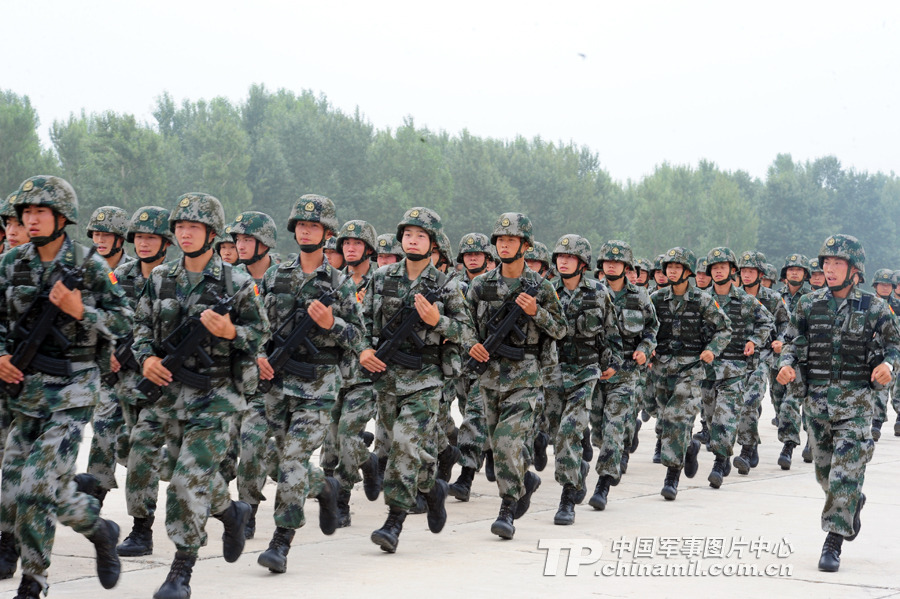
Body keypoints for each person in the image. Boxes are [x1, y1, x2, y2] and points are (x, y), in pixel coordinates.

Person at [132, 192, 268, 599]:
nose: (185, 233)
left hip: (216, 396)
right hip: (168, 395)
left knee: (186, 482)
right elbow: (141, 328)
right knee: (169, 468)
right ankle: (230, 511)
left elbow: (260, 334)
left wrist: (231, 332)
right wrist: (146, 359)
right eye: (180, 226)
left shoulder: (236, 282)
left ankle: (181, 571)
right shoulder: (161, 277)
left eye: (194, 227)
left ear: (211, 234)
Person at [0, 176, 131, 597]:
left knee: (36, 487)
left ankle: (33, 582)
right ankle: (98, 528)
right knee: (12, 491)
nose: (31, 219)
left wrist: (82, 311)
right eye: (26, 212)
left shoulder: (88, 264)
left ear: (61, 218)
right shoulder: (11, 262)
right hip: (26, 392)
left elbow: (124, 321)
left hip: (72, 393)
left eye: (40, 212)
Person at [254, 196, 367, 572]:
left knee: (292, 460)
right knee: (274, 461)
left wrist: (331, 324)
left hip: (318, 386)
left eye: (313, 226)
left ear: (326, 233)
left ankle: (280, 541)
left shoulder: (339, 283)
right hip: (276, 383)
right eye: (301, 225)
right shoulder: (275, 275)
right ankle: (323, 486)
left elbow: (359, 337)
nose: (305, 230)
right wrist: (257, 355)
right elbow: (257, 326)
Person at [776, 234, 900, 572]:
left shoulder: (874, 306)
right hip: (816, 403)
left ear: (854, 270)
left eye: (837, 263)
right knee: (826, 474)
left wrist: (888, 366)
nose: (829, 270)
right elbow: (790, 340)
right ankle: (852, 501)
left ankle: (833, 542)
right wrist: (786, 364)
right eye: (826, 263)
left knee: (845, 473)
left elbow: (894, 345)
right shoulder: (808, 304)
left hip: (856, 404)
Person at [360, 207, 475, 553]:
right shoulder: (381, 278)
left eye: (420, 235)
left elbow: (467, 332)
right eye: (408, 234)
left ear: (433, 243)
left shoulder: (445, 285)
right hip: (386, 378)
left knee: (405, 445)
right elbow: (363, 323)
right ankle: (431, 488)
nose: (412, 240)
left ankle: (393, 521)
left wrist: (438, 320)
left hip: (426, 380)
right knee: (397, 448)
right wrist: (364, 350)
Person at [466, 212, 566, 539]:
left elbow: (560, 329)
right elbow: (464, 324)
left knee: (507, 442)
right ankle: (526, 480)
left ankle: (507, 509)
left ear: (525, 246)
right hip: (489, 376)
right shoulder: (481, 285)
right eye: (501, 240)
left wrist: (537, 312)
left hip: (526, 377)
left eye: (512, 240)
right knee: (499, 445)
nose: (505, 245)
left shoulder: (541, 287)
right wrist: (471, 345)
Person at [114, 207, 176, 558]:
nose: (144, 243)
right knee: (131, 450)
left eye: (151, 237)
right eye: (139, 237)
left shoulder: (176, 278)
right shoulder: (119, 277)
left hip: (168, 384)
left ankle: (141, 529)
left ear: (165, 243)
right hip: (127, 381)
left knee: (144, 450)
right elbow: (100, 317)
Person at [649, 247, 731, 500]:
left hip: (691, 368)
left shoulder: (702, 299)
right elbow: (646, 328)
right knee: (665, 421)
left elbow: (724, 328)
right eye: (669, 267)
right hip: (662, 368)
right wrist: (647, 347)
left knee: (678, 417)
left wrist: (712, 350)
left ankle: (671, 477)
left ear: (688, 272)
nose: (672, 271)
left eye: (677, 267)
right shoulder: (656, 298)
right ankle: (688, 447)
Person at [590, 241, 657, 509]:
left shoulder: (639, 296)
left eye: (617, 262)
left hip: (627, 372)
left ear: (626, 266)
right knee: (598, 430)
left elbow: (652, 329)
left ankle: (603, 484)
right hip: (597, 372)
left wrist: (645, 349)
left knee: (614, 427)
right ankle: (616, 453)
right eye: (607, 261)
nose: (611, 266)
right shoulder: (592, 292)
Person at [700, 248, 774, 488]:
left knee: (726, 416)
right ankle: (722, 453)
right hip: (708, 368)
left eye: (723, 267)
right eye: (714, 267)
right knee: (710, 417)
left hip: (735, 368)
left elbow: (767, 321)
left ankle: (719, 462)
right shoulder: (702, 299)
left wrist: (753, 340)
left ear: (732, 270)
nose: (718, 271)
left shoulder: (745, 300)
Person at [228, 211, 279, 539]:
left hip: (271, 383)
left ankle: (247, 510)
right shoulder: (229, 279)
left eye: (248, 239)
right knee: (226, 451)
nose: (241, 245)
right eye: (238, 239)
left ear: (264, 243)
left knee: (251, 447)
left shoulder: (284, 278)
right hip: (232, 380)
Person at [83, 206, 138, 507]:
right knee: (103, 431)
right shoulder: (85, 270)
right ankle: (95, 499)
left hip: (135, 369)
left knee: (132, 444)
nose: (100, 240)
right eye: (96, 234)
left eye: (107, 235)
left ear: (120, 239)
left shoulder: (137, 272)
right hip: (98, 368)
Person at [331, 219, 383, 527]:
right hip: (332, 373)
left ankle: (342, 501)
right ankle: (368, 461)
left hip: (365, 375)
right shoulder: (333, 281)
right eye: (346, 243)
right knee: (331, 444)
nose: (350, 248)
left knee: (347, 435)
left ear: (369, 249)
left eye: (357, 243)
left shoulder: (382, 281)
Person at [733, 250, 789, 475]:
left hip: (763, 357)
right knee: (737, 405)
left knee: (750, 400)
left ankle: (746, 450)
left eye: (751, 271)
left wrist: (780, 340)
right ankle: (751, 441)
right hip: (735, 358)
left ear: (760, 274)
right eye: (743, 271)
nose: (746, 275)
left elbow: (786, 324)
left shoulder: (773, 299)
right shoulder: (733, 296)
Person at [870, 268, 900, 440]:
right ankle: (876, 423)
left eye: (889, 285)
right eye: (882, 284)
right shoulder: (868, 304)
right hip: (875, 353)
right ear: (875, 285)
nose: (885, 287)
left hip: (895, 353)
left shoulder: (897, 306)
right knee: (879, 389)